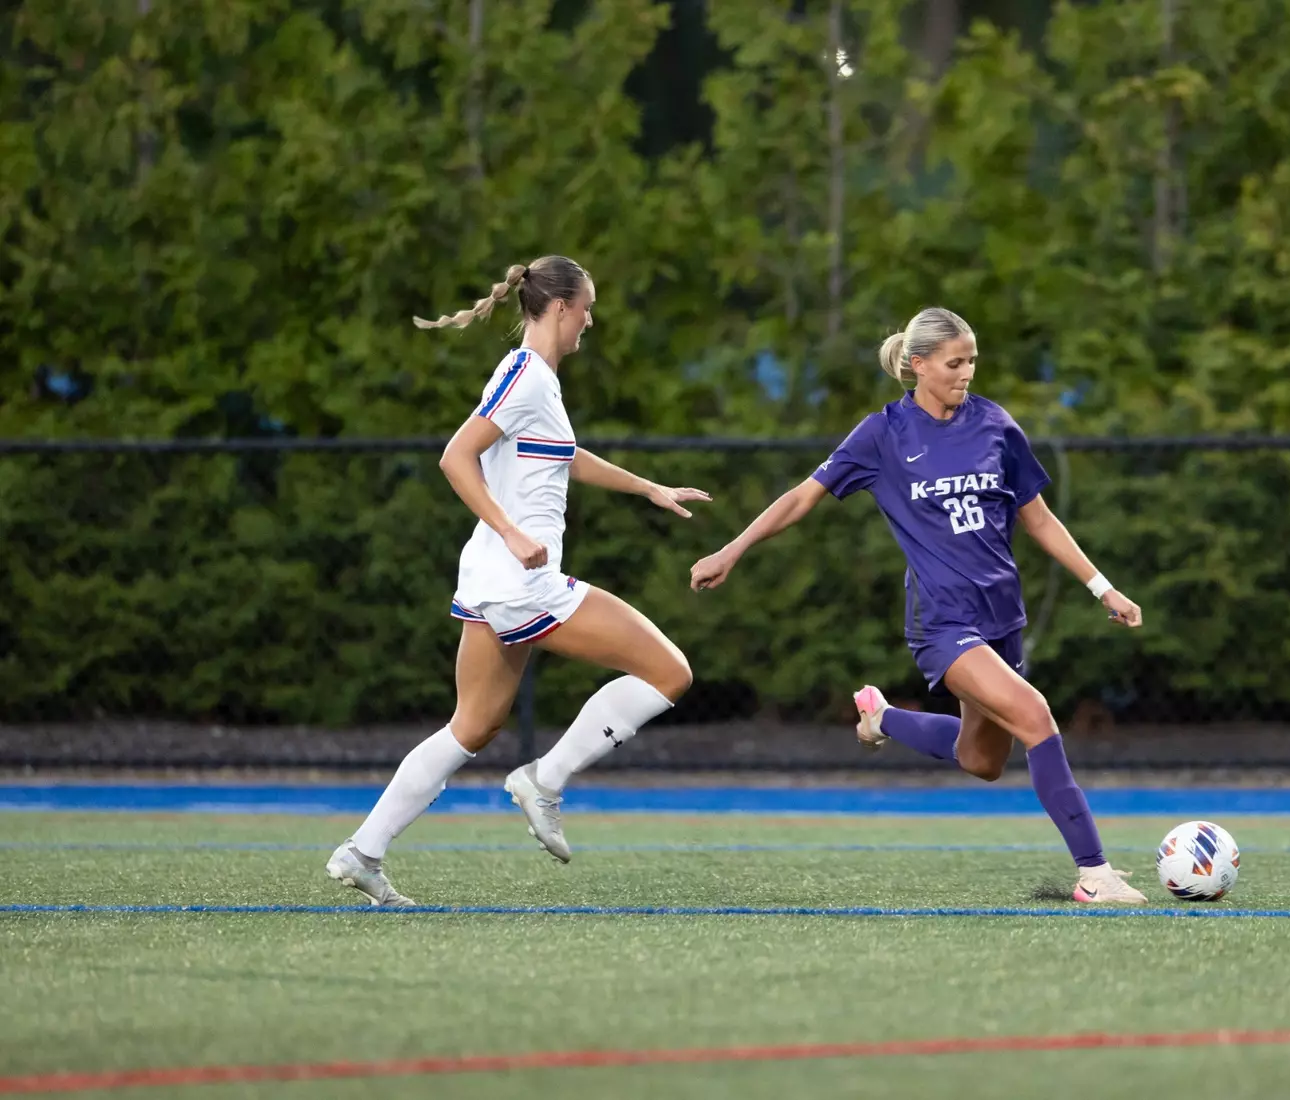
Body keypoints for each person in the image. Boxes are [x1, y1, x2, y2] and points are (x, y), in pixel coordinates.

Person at [690, 307, 1148, 904]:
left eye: (972, 361)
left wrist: (1102, 587)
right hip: (943, 623)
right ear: (918, 365)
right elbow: (803, 497)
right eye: (955, 363)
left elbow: (1036, 517)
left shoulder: (995, 425)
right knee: (1036, 716)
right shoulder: (883, 434)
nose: (967, 373)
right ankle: (1095, 874)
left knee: (982, 760)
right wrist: (734, 548)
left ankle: (883, 718)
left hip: (1002, 617)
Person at [327, 255, 708, 906]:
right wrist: (510, 530)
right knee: (670, 673)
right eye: (587, 308)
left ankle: (362, 852)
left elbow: (566, 457)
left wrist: (647, 488)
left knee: (472, 727)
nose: (591, 320)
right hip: (520, 580)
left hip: (491, 581)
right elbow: (456, 455)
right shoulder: (528, 375)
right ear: (560, 307)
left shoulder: (536, 382)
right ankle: (546, 781)